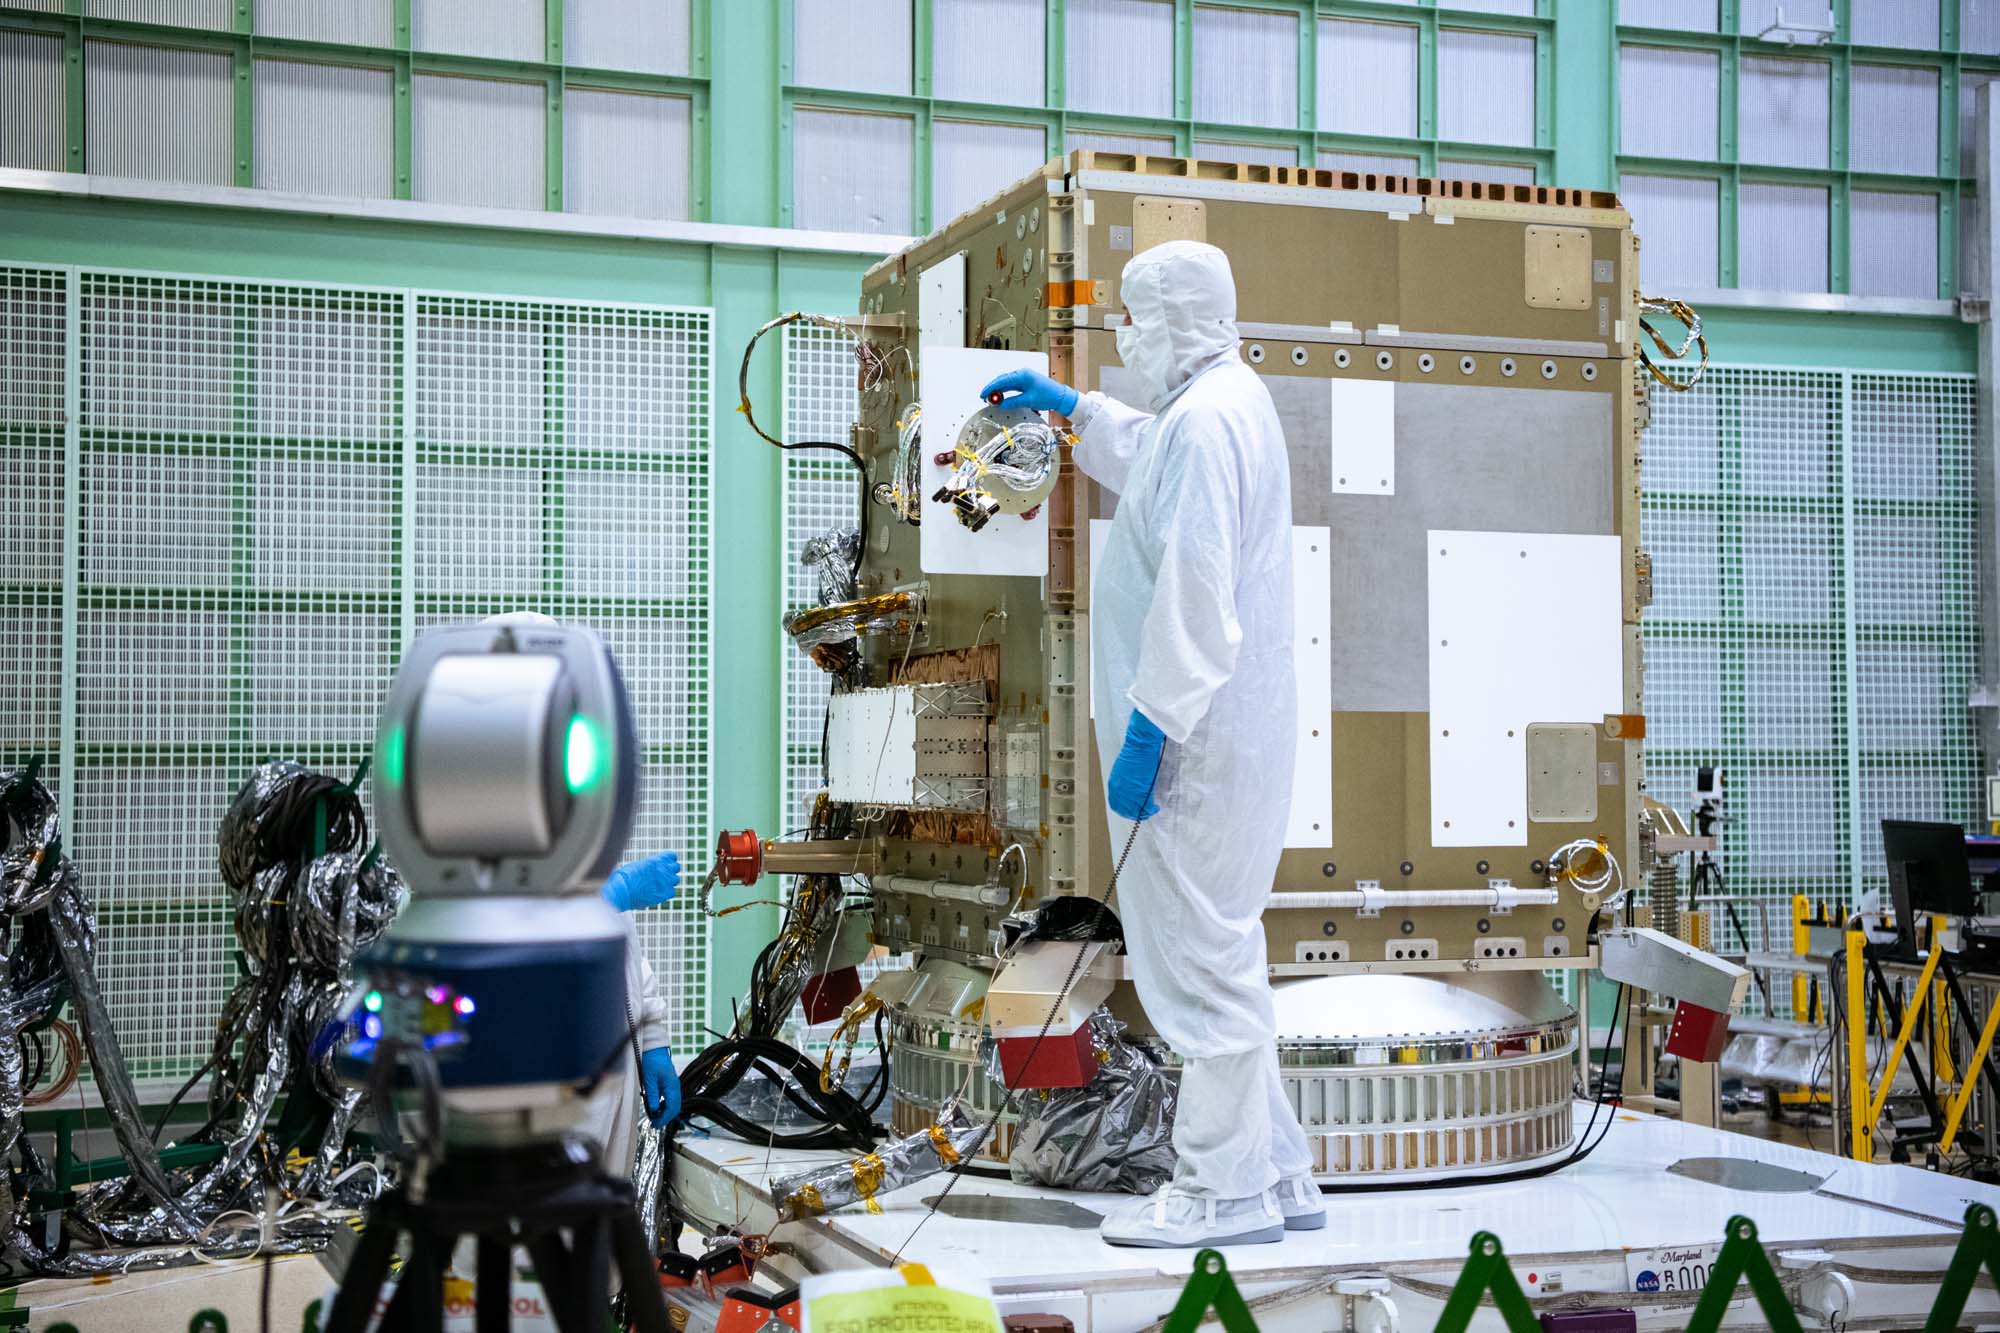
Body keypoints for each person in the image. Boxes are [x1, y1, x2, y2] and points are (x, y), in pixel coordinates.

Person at [979, 240, 1324, 1248]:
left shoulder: (1210, 420)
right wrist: (1075, 411)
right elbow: (1152, 456)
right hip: (1218, 740)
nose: (1125, 336)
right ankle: (1277, 1175)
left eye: (1135, 317)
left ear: (1177, 316)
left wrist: (1147, 727)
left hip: (1190, 748)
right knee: (1223, 952)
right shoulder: (1219, 402)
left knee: (1194, 971)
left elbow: (1193, 590)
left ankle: (1217, 1193)